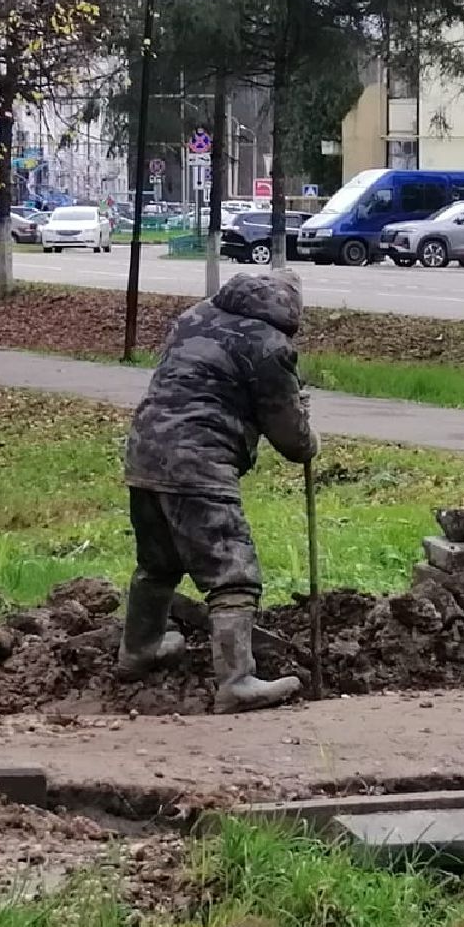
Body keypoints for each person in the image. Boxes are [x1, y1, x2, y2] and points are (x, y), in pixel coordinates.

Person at [118, 270, 316, 713]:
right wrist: (308, 432)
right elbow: (291, 439)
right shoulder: (270, 345)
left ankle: (139, 650)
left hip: (145, 451)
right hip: (198, 462)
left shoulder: (195, 315)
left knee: (158, 563)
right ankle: (236, 681)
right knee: (232, 573)